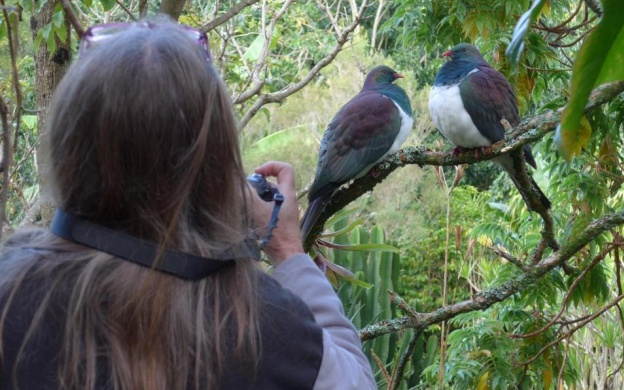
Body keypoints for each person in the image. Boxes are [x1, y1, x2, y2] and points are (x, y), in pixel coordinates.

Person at [0, 19, 376, 390]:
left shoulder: (12, 289)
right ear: (217, 168)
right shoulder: (267, 326)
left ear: (68, 150)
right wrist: (289, 250)